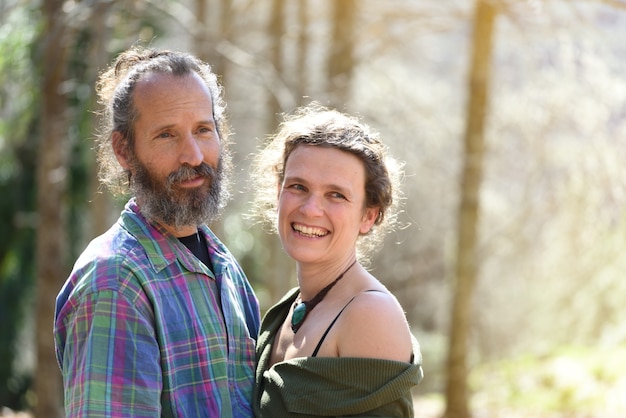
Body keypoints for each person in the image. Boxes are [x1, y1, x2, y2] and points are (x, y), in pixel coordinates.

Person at [54, 46, 260, 417]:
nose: (194, 156)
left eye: (203, 130)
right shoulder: (115, 283)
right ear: (124, 151)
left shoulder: (222, 264)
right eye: (167, 135)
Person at [249, 103, 424, 417]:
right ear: (279, 193)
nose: (311, 209)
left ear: (368, 216)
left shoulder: (370, 314)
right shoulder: (286, 310)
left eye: (336, 195)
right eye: (298, 187)